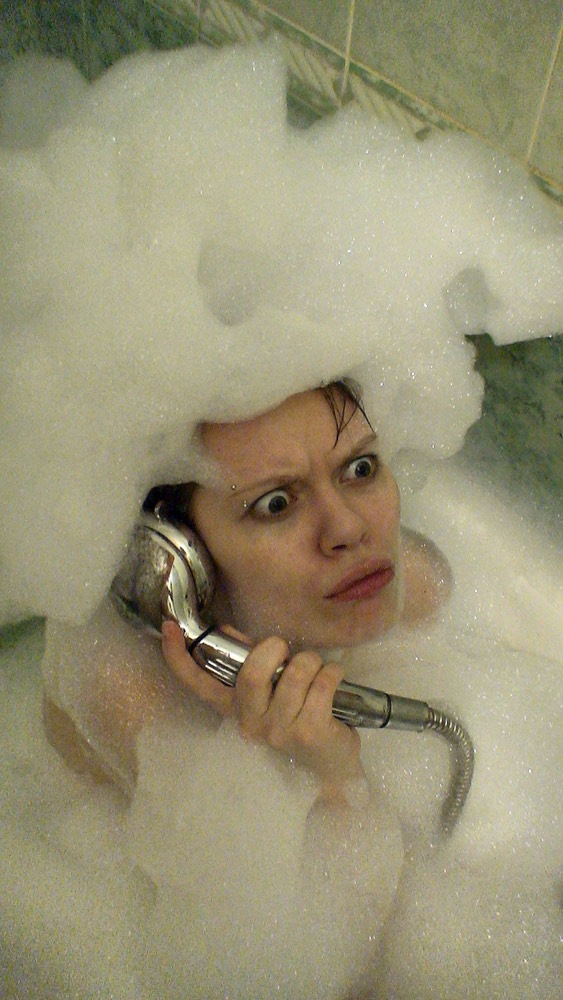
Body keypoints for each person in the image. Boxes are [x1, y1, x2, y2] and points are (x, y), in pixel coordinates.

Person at [43, 378, 451, 805]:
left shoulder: (414, 584)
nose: (348, 528)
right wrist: (332, 786)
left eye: (360, 469)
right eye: (276, 504)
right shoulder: (129, 697)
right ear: (177, 554)